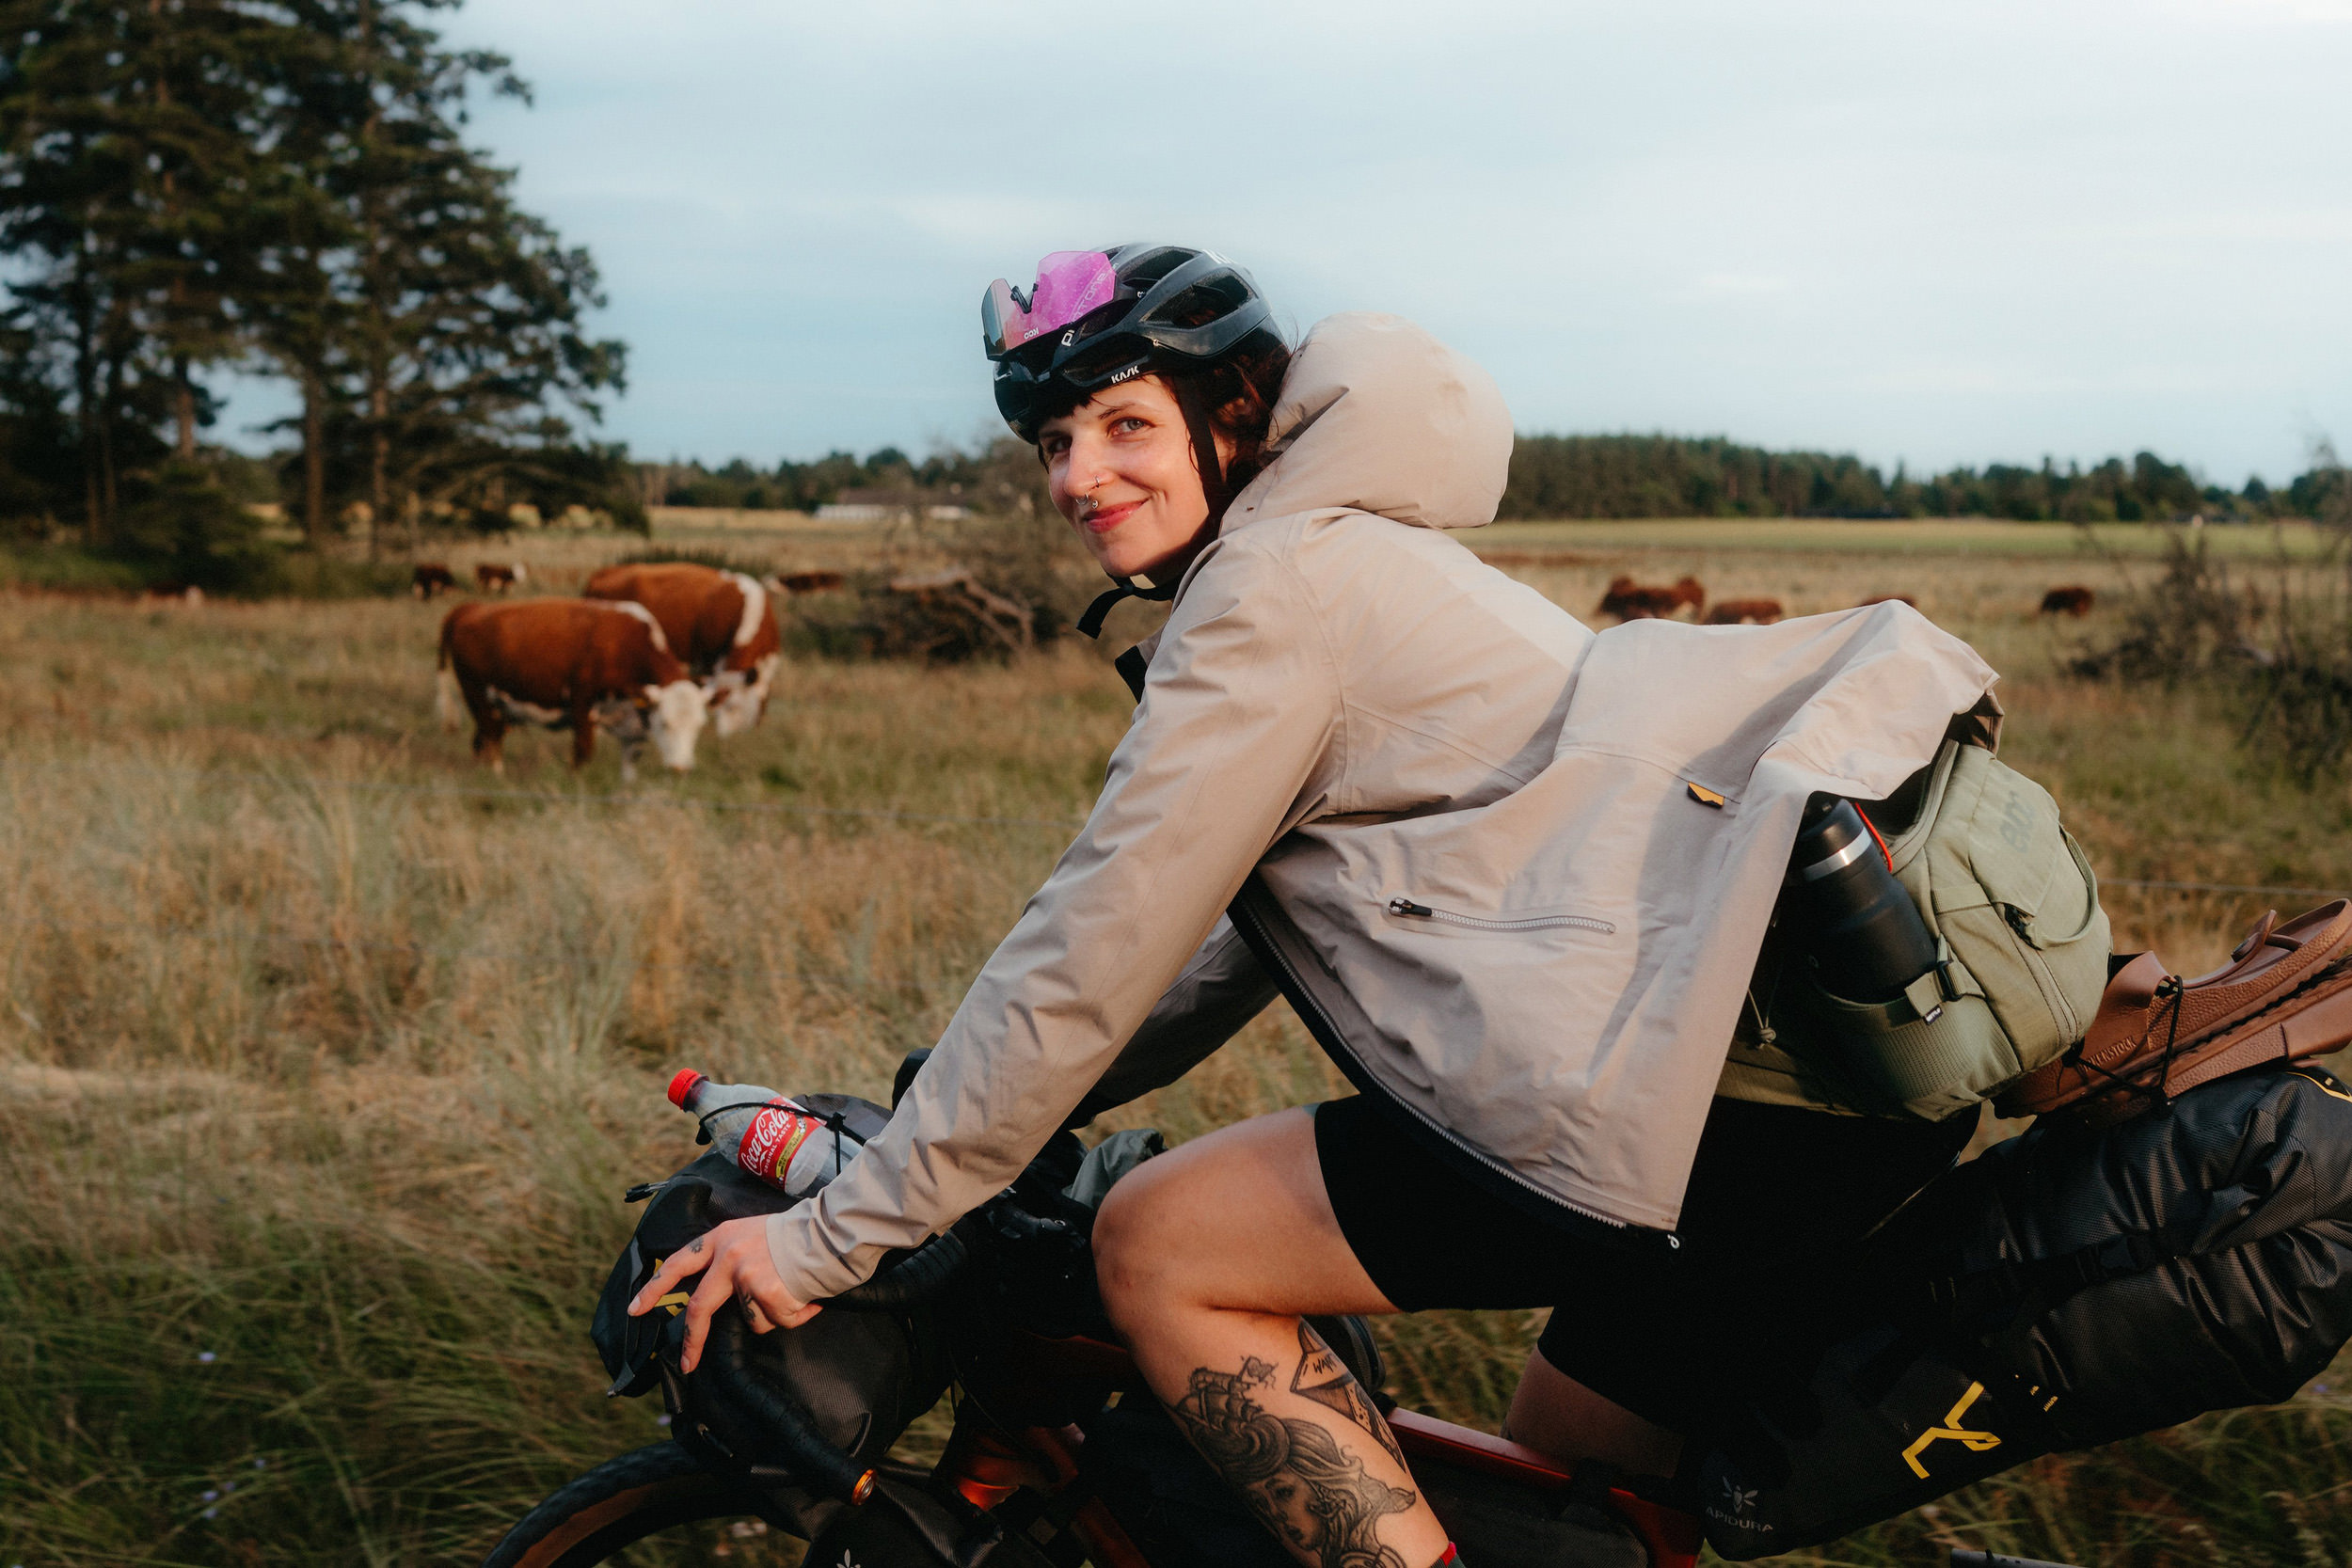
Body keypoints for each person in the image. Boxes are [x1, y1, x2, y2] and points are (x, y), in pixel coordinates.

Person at [632, 245, 2000, 1568]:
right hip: (1783, 1090)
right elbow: (1221, 953)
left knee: (1157, 1243)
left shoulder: (1268, 588)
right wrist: (974, 1109)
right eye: (1053, 440)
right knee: (1566, 1509)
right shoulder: (1344, 552)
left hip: (1698, 1099)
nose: (1077, 475)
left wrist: (840, 1233)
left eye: (1123, 424)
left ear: (1231, 420)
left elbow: (1093, 946)